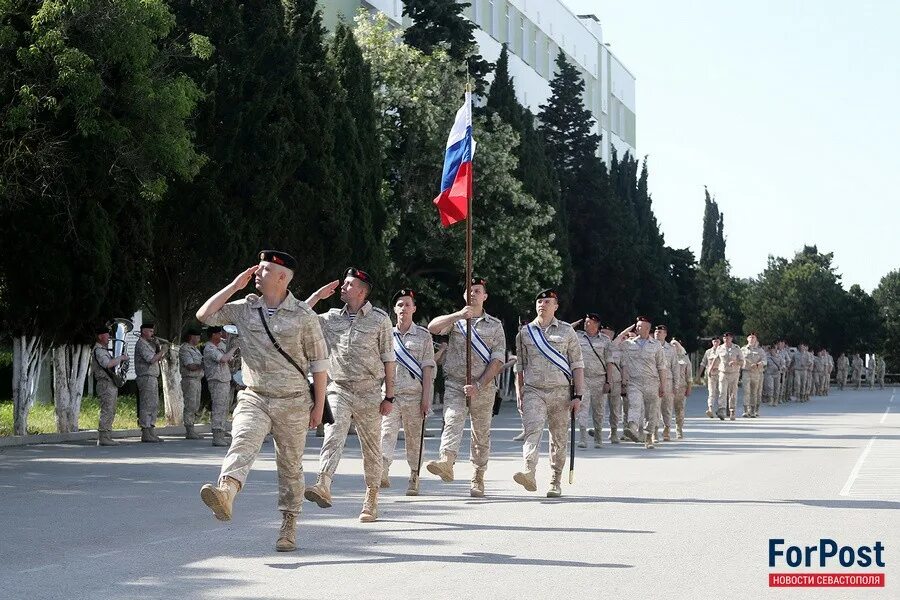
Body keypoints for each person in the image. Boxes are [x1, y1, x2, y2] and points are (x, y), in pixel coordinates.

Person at [196, 251, 329, 552]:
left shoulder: (304, 316)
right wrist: (233, 286)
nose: (257, 271)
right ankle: (226, 493)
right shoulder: (245, 308)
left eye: (265, 269)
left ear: (282, 277)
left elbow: (320, 365)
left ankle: (289, 524)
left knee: (290, 466)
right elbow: (204, 316)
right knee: (241, 441)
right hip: (254, 396)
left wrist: (318, 406)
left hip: (293, 401)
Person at [303, 268, 395, 522]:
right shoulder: (331, 317)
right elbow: (300, 316)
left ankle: (371, 497)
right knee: (333, 435)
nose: (343, 287)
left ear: (363, 292)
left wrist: (389, 396)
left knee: (371, 448)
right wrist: (317, 296)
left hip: (369, 391)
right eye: (343, 282)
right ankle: (323, 483)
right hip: (339, 388)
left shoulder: (380, 319)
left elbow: (389, 359)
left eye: (349, 284)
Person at [425, 277, 506, 497]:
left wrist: (479, 384)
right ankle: (447, 461)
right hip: (455, 384)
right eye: (469, 291)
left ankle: (478, 476)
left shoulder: (495, 326)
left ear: (485, 296)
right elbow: (433, 327)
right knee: (451, 419)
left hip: (483, 387)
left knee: (480, 434)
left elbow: (498, 360)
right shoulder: (457, 321)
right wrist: (459, 315)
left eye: (478, 291)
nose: (473, 294)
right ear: (464, 295)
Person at [513, 290, 584, 497]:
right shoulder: (524, 333)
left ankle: (555, 480)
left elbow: (577, 364)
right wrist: (519, 391)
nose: (542, 304)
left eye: (547, 301)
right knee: (531, 432)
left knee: (558, 439)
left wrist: (578, 395)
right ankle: (529, 471)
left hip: (561, 393)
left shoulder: (566, 331)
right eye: (539, 301)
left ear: (556, 306)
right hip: (534, 391)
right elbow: (520, 367)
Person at [380, 289, 435, 496]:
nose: (404, 308)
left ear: (414, 308)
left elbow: (428, 369)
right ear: (395, 309)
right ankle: (383, 470)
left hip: (414, 396)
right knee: (386, 434)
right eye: (400, 305)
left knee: (414, 439)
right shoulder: (385, 334)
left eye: (407, 304)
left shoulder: (423, 336)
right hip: (390, 396)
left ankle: (414, 475)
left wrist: (426, 399)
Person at [621, 316, 666, 448]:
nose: (637, 328)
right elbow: (617, 351)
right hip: (634, 382)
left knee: (651, 412)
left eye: (640, 326)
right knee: (634, 405)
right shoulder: (629, 344)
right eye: (637, 325)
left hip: (652, 382)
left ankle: (649, 437)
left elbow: (662, 367)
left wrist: (663, 385)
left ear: (647, 328)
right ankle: (632, 428)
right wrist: (624, 382)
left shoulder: (656, 345)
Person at [92, 324, 128, 446]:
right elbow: (107, 364)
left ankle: (107, 435)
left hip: (109, 383)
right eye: (107, 335)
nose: (109, 337)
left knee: (111, 409)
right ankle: (103, 437)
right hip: (105, 384)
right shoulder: (98, 350)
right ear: (100, 336)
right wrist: (120, 358)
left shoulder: (103, 350)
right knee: (107, 409)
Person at [577, 313, 609, 448]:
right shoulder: (578, 337)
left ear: (596, 325)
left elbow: (610, 363)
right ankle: (583, 438)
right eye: (585, 322)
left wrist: (609, 382)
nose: (585, 324)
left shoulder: (605, 340)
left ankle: (598, 437)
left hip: (600, 379)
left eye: (588, 322)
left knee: (599, 410)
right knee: (582, 408)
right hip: (583, 378)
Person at [204, 326, 238, 447]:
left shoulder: (220, 346)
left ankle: (221, 432)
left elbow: (228, 359)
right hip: (217, 380)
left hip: (224, 380)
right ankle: (217, 436)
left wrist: (232, 355)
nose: (222, 335)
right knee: (218, 408)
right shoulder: (209, 348)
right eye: (219, 333)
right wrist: (234, 347)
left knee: (223, 408)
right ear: (213, 335)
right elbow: (223, 359)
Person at [134, 323, 166, 442]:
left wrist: (158, 347)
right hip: (145, 376)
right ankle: (145, 432)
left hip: (152, 377)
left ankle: (151, 430)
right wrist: (162, 351)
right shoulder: (141, 344)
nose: (153, 334)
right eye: (150, 331)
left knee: (153, 404)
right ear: (143, 332)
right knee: (146, 404)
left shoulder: (149, 344)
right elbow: (152, 359)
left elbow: (157, 358)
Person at [179, 329, 204, 440]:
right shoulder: (185, 349)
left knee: (195, 405)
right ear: (191, 337)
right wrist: (203, 364)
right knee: (190, 404)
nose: (199, 339)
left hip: (197, 380)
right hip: (190, 380)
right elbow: (190, 366)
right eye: (197, 337)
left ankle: (192, 428)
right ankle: (189, 430)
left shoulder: (195, 349)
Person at [653, 325, 676, 441]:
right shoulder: (650, 346)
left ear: (665, 334)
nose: (657, 333)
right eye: (656, 331)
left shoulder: (671, 349)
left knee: (667, 407)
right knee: (655, 407)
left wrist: (676, 385)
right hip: (654, 380)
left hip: (668, 381)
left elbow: (675, 367)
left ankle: (667, 428)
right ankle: (655, 431)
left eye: (660, 332)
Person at [715, 332, 744, 420]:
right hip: (723, 373)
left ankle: (732, 411)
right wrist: (711, 368)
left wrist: (736, 362)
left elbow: (742, 362)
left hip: (734, 374)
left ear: (731, 338)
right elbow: (716, 359)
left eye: (727, 338)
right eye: (724, 338)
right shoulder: (720, 348)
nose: (726, 340)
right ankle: (722, 411)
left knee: (733, 393)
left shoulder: (736, 348)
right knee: (722, 392)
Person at [670, 339, 692, 438]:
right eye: (672, 345)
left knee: (680, 409)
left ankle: (679, 429)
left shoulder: (684, 358)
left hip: (681, 388)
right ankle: (667, 429)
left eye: (676, 345)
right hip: (668, 387)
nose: (674, 347)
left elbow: (689, 374)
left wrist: (689, 387)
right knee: (666, 410)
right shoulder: (665, 357)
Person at [740, 333, 766, 418]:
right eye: (750, 337)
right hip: (746, 372)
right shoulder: (743, 349)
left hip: (756, 373)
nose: (751, 339)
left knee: (754, 392)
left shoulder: (760, 350)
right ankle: (745, 410)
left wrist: (758, 364)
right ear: (747, 339)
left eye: (753, 337)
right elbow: (739, 360)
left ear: (756, 339)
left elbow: (765, 361)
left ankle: (753, 410)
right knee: (746, 391)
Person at [699, 338, 721, 418]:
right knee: (711, 392)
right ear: (712, 342)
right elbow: (703, 363)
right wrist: (698, 375)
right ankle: (710, 409)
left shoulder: (723, 350)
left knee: (721, 392)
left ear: (720, 342)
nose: (716, 342)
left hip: (721, 374)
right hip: (711, 375)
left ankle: (721, 409)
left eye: (717, 341)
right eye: (714, 341)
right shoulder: (708, 352)